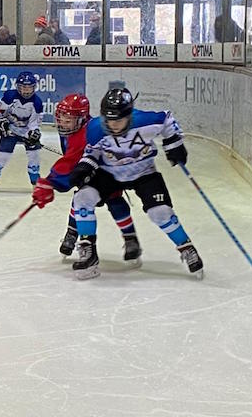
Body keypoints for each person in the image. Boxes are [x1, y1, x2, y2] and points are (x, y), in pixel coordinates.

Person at [67, 88, 203, 280]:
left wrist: (174, 142)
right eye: (109, 120)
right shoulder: (96, 127)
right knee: (82, 198)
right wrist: (84, 166)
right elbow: (93, 152)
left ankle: (186, 247)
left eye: (119, 120)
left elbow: (167, 119)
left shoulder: (145, 121)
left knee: (160, 212)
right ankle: (88, 251)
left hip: (144, 173)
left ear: (129, 115)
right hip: (109, 174)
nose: (113, 125)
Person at [30, 93, 142, 262]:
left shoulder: (86, 132)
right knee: (80, 199)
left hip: (107, 172)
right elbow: (71, 156)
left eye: (68, 120)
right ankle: (72, 232)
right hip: (86, 170)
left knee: (115, 201)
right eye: (61, 118)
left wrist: (50, 182)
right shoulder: (70, 129)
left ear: (81, 119)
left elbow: (69, 161)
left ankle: (130, 237)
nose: (62, 123)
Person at [0, 70, 43, 189]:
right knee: (3, 155)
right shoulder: (9, 97)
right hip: (11, 129)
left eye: (29, 88)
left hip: (26, 131)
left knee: (34, 154)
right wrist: (1, 123)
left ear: (34, 88)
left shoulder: (37, 102)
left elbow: (34, 123)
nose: (26, 91)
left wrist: (34, 132)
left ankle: (35, 178)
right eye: (24, 87)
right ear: (18, 87)